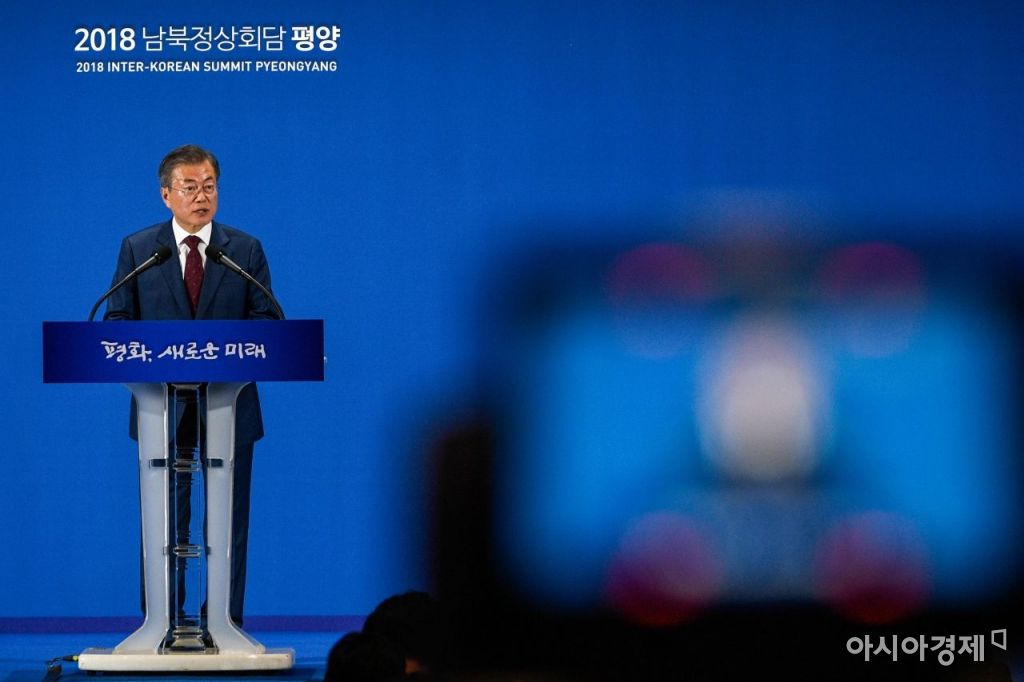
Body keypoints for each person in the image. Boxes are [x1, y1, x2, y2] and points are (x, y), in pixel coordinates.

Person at [103, 144, 278, 625]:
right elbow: (117, 321)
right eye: (189, 187)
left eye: (209, 186)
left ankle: (225, 621)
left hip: (229, 404)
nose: (202, 196)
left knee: (229, 520)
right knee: (164, 517)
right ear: (166, 195)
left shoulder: (244, 250)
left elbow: (267, 321)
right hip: (161, 406)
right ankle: (162, 619)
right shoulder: (140, 249)